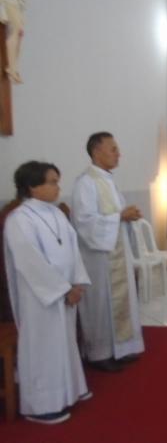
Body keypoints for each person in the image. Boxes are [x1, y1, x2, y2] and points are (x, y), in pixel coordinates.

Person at [4, 161, 91, 424]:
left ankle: (70, 390)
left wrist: (76, 283)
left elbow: (72, 249)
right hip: (40, 297)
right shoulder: (19, 219)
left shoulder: (56, 214)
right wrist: (63, 290)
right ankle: (40, 406)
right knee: (44, 347)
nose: (57, 187)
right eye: (52, 182)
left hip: (66, 293)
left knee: (64, 342)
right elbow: (30, 261)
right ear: (32, 186)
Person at [71, 132, 144, 372]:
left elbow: (110, 215)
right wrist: (120, 216)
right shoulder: (86, 182)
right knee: (100, 304)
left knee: (117, 303)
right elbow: (84, 221)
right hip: (98, 258)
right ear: (96, 152)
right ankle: (99, 353)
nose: (118, 153)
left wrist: (125, 216)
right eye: (113, 149)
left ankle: (120, 348)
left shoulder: (107, 180)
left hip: (115, 253)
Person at [0, 0, 25, 83]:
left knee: (18, 33)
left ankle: (13, 67)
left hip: (14, 0)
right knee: (16, 31)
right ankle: (12, 68)